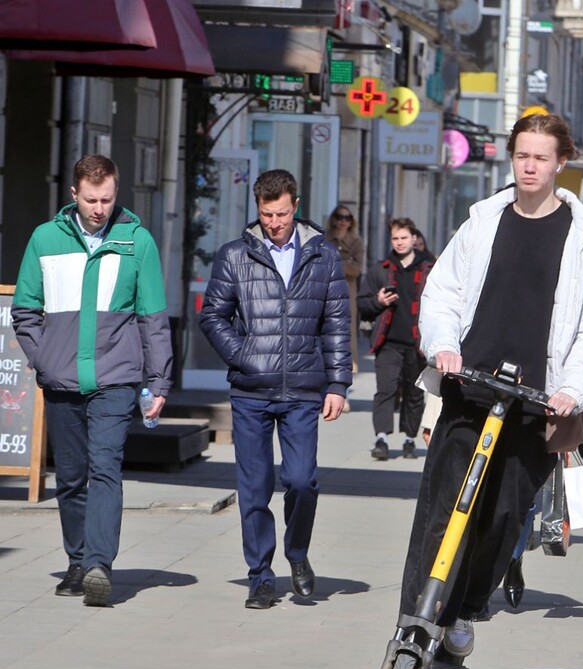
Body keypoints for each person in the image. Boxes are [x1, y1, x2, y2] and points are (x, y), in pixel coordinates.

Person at [393, 113, 583, 657]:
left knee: (501, 519)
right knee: (441, 513)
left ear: (560, 163)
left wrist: (573, 390)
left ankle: (464, 610)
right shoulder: (482, 221)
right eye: (522, 156)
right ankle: (413, 623)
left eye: (541, 157)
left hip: (537, 404)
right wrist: (443, 345)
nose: (529, 166)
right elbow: (442, 293)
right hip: (469, 387)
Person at [12, 154, 172, 607]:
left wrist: (159, 382)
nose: (99, 208)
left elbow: (153, 319)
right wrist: (44, 359)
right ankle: (77, 560)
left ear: (116, 192)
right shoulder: (45, 239)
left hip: (115, 379)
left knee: (105, 468)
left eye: (106, 199)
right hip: (61, 379)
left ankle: (99, 564)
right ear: (74, 195)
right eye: (91, 200)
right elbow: (25, 311)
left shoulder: (137, 242)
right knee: (70, 476)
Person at [200, 169, 352, 610]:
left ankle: (297, 553)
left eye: (282, 214)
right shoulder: (235, 255)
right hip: (251, 391)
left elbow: (336, 323)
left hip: (303, 389)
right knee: (254, 488)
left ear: (296, 206)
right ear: (258, 209)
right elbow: (212, 316)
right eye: (267, 215)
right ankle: (261, 577)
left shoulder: (323, 255)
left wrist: (338, 383)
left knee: (302, 481)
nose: (275, 223)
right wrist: (244, 355)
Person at [359, 217, 435, 461]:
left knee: (414, 394)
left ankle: (409, 439)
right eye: (395, 238)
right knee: (386, 390)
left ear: (414, 238)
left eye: (404, 237)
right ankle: (381, 439)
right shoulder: (381, 269)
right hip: (388, 342)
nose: (399, 242)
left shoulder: (430, 269)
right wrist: (378, 301)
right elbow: (362, 304)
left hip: (418, 345)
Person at [326, 205, 365, 372]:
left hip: (347, 290)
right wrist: (346, 263)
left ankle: (349, 367)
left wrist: (333, 263)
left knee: (347, 329)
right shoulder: (325, 239)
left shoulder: (356, 242)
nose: (343, 221)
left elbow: (356, 269)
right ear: (333, 219)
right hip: (326, 288)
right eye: (339, 217)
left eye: (347, 218)